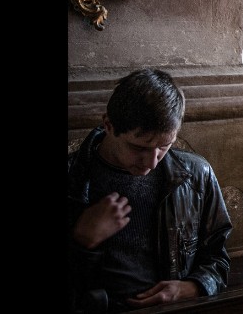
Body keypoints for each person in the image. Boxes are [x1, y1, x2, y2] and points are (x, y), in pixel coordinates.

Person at [68, 68, 232, 312]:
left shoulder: (196, 175)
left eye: (164, 147)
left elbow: (218, 260)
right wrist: (81, 240)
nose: (151, 162)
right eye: (138, 148)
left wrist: (192, 287)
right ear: (109, 125)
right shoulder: (74, 178)